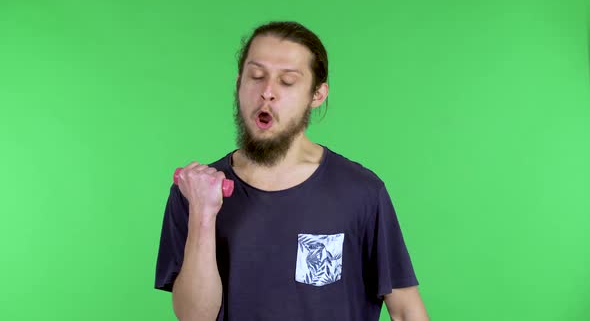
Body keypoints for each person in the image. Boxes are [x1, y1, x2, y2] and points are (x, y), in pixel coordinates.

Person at [154, 20, 429, 321]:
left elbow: (405, 311)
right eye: (256, 76)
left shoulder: (361, 192)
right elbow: (195, 317)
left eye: (287, 82)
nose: (267, 92)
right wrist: (203, 215)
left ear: (317, 95)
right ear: (238, 84)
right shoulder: (194, 193)